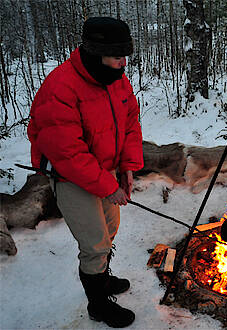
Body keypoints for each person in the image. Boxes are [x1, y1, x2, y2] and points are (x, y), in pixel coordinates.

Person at [27, 17, 144, 328]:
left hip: (105, 171)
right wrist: (108, 186)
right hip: (71, 177)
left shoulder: (117, 78)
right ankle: (98, 305)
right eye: (118, 56)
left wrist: (128, 167)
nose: (123, 63)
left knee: (109, 229)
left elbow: (131, 122)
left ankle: (102, 278)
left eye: (125, 56)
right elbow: (68, 153)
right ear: (97, 52)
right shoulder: (61, 87)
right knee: (94, 242)